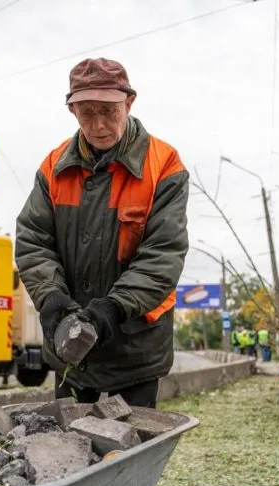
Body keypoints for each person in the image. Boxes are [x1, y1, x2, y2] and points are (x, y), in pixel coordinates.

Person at [15, 58, 189, 409]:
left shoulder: (164, 165)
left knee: (132, 437)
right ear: (72, 111)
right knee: (65, 439)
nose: (98, 125)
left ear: (129, 102)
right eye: (87, 113)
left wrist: (113, 307)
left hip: (135, 346)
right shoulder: (53, 167)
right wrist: (50, 296)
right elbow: (33, 240)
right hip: (70, 350)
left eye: (109, 111)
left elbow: (164, 254)